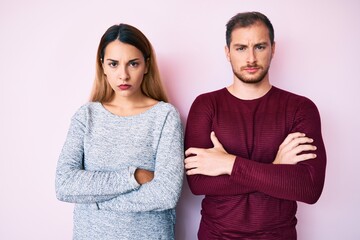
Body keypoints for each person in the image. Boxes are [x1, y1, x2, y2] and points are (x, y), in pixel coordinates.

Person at [184, 12, 326, 239]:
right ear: (227, 52)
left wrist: (228, 164)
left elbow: (309, 189)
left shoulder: (301, 108)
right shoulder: (206, 105)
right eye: (241, 48)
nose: (250, 58)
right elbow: (198, 183)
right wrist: (276, 168)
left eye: (259, 47)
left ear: (273, 49)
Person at [55, 23, 184, 240]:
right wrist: (133, 176)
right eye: (114, 64)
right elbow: (64, 184)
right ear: (103, 66)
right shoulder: (86, 116)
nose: (123, 75)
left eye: (133, 64)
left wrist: (96, 200)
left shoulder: (164, 116)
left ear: (146, 65)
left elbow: (166, 194)